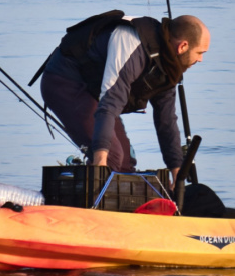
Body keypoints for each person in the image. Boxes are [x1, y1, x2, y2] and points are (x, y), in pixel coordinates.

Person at [34, 11, 209, 179]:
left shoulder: (169, 67)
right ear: (183, 46)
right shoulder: (133, 45)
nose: (200, 59)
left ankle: (111, 203)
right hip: (64, 81)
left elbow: (166, 120)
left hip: (93, 91)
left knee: (126, 162)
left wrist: (176, 170)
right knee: (111, 156)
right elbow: (110, 102)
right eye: (200, 53)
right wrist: (101, 158)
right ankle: (85, 197)